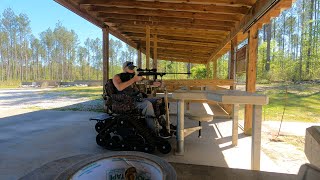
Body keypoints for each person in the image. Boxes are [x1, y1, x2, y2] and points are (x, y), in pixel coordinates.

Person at [112, 61, 172, 138]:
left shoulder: (134, 76)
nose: (132, 70)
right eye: (130, 68)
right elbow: (119, 87)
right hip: (127, 102)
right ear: (124, 68)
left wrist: (155, 83)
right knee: (148, 104)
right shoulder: (117, 77)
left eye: (133, 68)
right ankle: (155, 131)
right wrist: (133, 80)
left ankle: (166, 125)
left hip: (138, 99)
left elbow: (147, 81)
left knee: (159, 101)